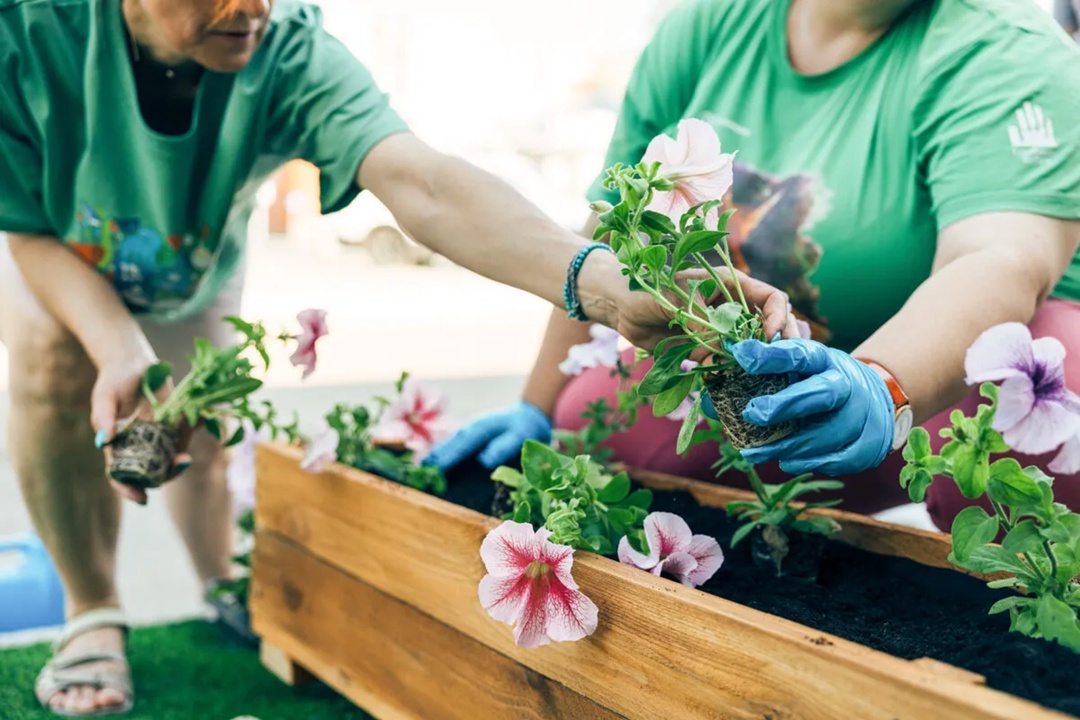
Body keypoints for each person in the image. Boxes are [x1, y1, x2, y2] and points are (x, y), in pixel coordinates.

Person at [0, 0, 797, 715]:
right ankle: (91, 610)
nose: (251, 7)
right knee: (49, 362)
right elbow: (26, 225)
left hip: (194, 257)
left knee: (202, 431)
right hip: (59, 248)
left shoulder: (288, 50)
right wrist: (115, 350)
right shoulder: (27, 30)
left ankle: (224, 588)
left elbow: (425, 185)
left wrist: (611, 288)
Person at [428, 0, 1080, 531]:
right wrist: (535, 410)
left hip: (934, 391)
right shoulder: (709, 27)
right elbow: (614, 229)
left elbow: (998, 258)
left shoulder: (1004, 47)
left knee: (1060, 374)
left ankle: (1022, 652)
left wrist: (885, 386)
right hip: (774, 382)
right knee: (598, 414)